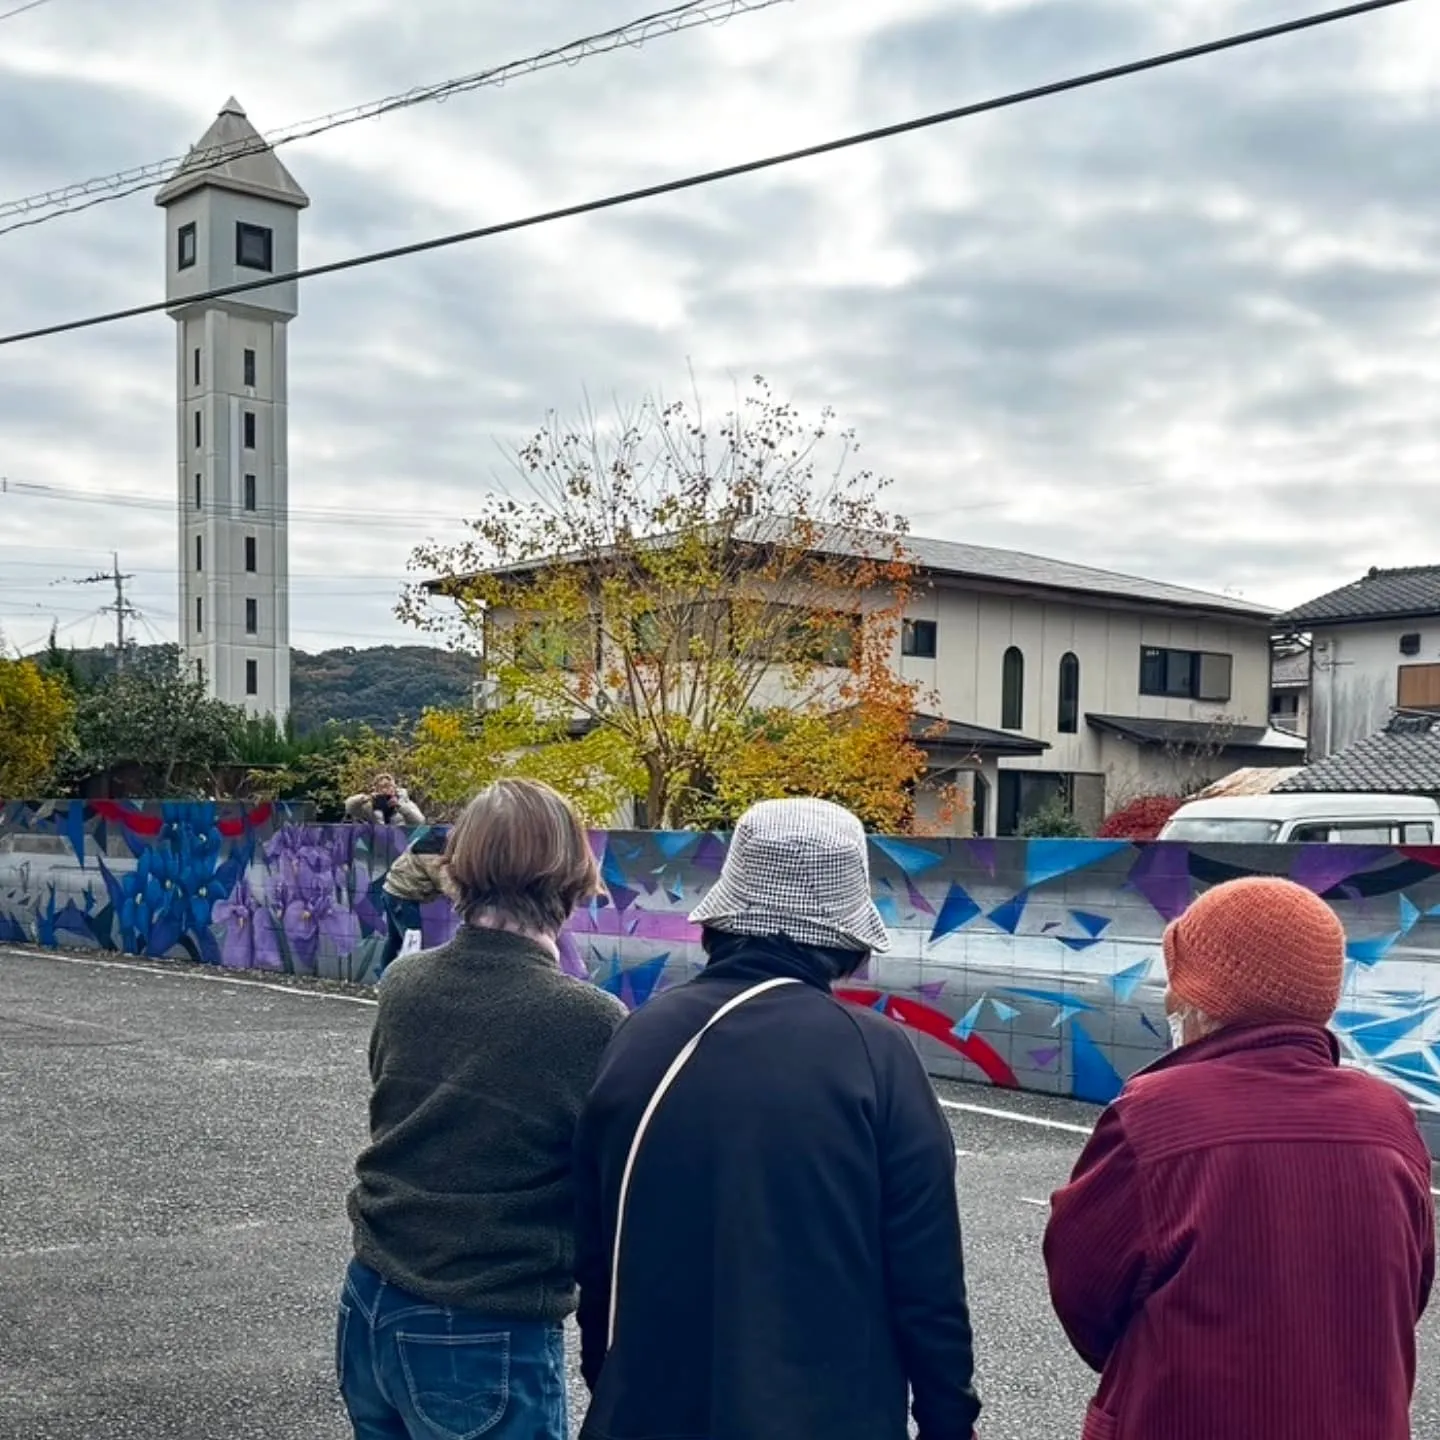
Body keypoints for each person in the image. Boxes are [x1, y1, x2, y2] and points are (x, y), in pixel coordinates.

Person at [573, 797, 982, 1440]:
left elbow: (597, 1249)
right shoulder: (874, 1055)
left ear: (726, 915)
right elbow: (925, 1276)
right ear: (845, 935)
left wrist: (611, 1377)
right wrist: (947, 1419)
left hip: (644, 1410)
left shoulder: (639, 1035)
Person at [1044, 875, 1435, 1440]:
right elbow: (1407, 1289)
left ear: (1206, 994)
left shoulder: (1155, 1113)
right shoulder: (1387, 1116)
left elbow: (1084, 1291)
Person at [338, 779, 627, 1440]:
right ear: (572, 875)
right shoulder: (589, 1019)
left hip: (370, 1299)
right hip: (482, 1324)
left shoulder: (403, 983)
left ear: (460, 868)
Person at [378, 823, 447, 972]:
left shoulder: (422, 843)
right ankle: (406, 980)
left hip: (392, 891)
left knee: (395, 940)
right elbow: (444, 883)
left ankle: (384, 979)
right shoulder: (431, 856)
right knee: (412, 941)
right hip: (403, 897)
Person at [345, 773, 424, 827]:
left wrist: (399, 806)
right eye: (381, 787)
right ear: (375, 789)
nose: (385, 790)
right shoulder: (370, 806)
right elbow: (349, 806)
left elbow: (420, 822)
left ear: (395, 787)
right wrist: (365, 798)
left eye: (388, 786)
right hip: (377, 846)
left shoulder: (404, 802)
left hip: (400, 846)